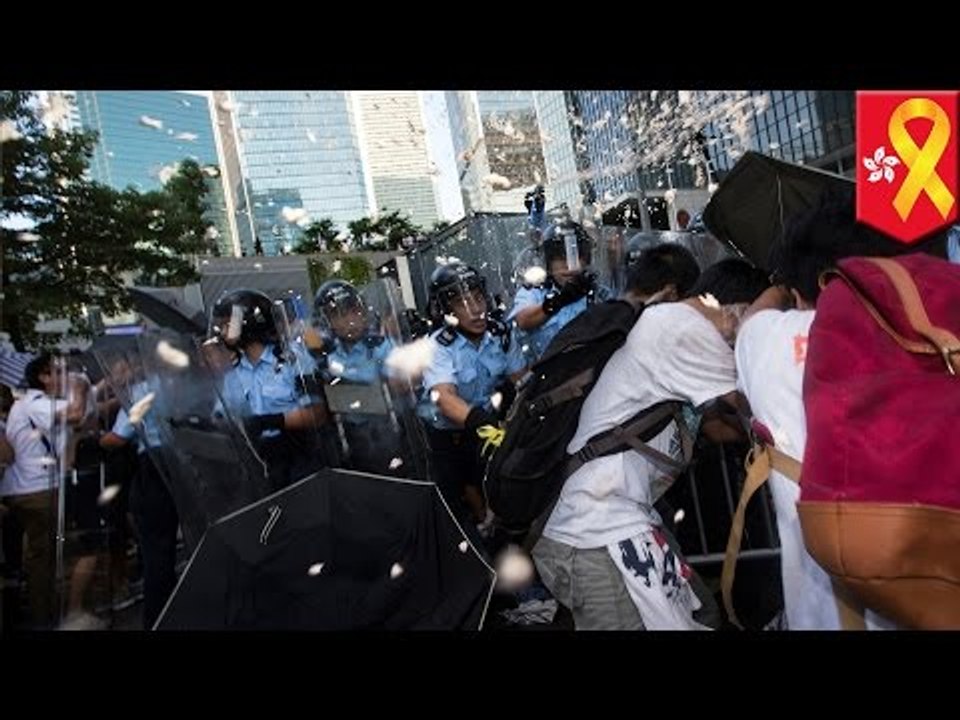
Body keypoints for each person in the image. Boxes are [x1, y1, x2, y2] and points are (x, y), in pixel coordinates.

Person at [532, 259, 770, 630]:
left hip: (623, 519)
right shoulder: (685, 328)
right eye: (755, 323)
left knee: (702, 614)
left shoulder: (673, 326)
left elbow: (717, 427)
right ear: (735, 311)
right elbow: (754, 403)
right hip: (592, 531)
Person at [419, 262, 527, 530]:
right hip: (448, 434)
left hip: (486, 424)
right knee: (455, 503)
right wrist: (483, 423)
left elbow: (523, 381)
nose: (476, 310)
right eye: (462, 303)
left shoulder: (500, 334)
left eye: (478, 298)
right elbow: (445, 399)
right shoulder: (437, 346)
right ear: (445, 310)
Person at [509, 219, 612, 361]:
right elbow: (523, 320)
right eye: (560, 257)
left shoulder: (599, 294)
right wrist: (559, 300)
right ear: (548, 262)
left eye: (575, 256)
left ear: (586, 260)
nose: (568, 265)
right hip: (548, 371)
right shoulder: (534, 292)